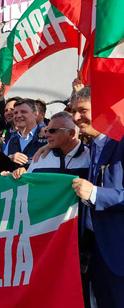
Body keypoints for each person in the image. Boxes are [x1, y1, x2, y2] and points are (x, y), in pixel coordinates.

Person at [70, 87, 124, 307]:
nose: (75, 117)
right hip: (95, 251)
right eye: (73, 111)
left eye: (82, 110)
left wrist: (94, 193)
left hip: (118, 252)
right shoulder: (92, 147)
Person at [3, 99, 46, 168]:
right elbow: (1, 165)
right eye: (15, 113)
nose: (18, 115)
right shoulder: (12, 139)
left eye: (23, 112)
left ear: (35, 114)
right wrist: (10, 158)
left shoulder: (47, 136)